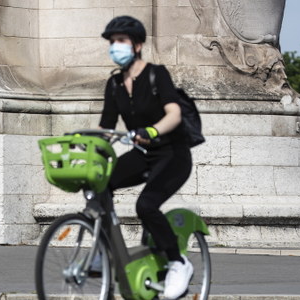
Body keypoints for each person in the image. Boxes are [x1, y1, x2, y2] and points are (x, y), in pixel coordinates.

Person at [99, 16, 193, 299]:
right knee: (100, 185)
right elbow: (106, 128)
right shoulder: (114, 83)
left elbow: (174, 114)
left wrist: (151, 131)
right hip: (143, 154)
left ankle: (178, 262)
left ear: (137, 45)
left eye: (121, 41)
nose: (115, 46)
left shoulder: (156, 74)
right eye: (112, 41)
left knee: (146, 205)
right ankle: (102, 252)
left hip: (173, 154)